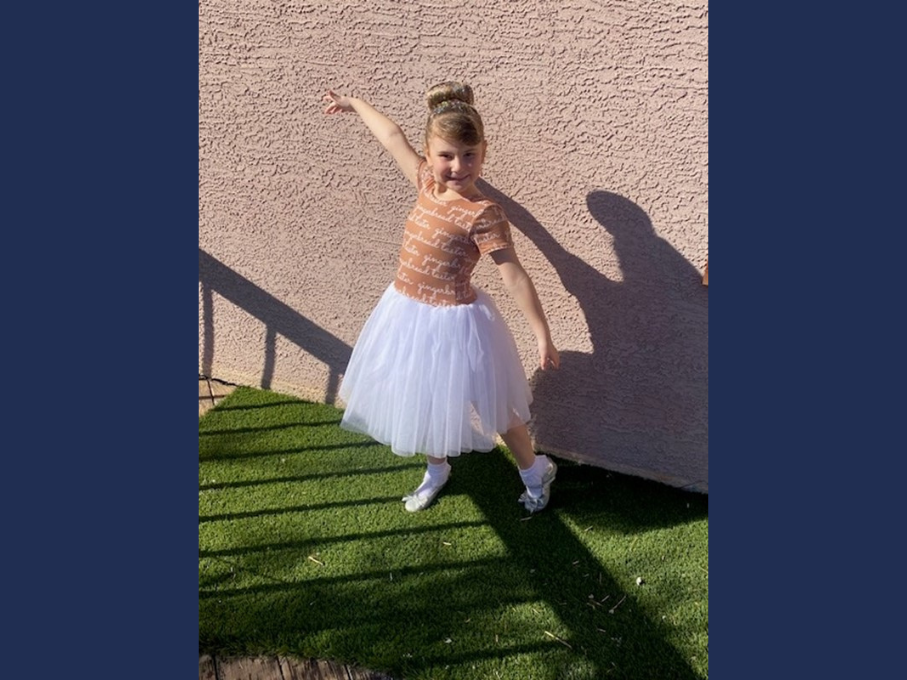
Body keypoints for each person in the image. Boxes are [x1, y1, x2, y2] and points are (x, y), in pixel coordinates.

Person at [322, 82, 560, 513]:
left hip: (457, 324)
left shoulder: (484, 213)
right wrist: (354, 103)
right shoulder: (426, 184)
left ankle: (534, 470)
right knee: (423, 401)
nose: (458, 166)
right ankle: (437, 469)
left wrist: (541, 333)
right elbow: (392, 135)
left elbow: (514, 275)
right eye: (446, 155)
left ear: (483, 153)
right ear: (429, 155)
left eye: (469, 155)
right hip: (406, 315)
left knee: (496, 408)